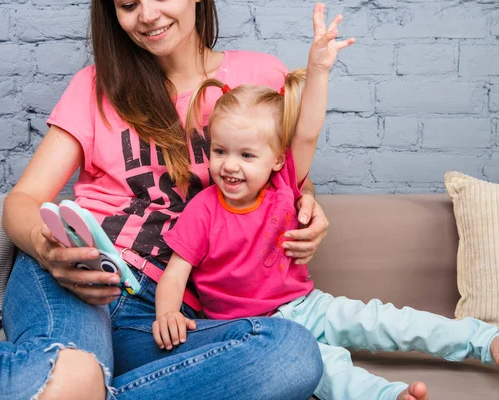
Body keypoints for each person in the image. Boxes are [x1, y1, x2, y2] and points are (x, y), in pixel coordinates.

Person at [0, 1, 332, 399]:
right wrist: (49, 250)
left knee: (291, 351)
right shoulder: (94, 88)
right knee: (69, 371)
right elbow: (22, 201)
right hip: (77, 276)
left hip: (170, 311)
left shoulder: (261, 75)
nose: (146, 15)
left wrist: (307, 203)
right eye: (127, 4)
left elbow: (289, 170)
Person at [152, 5, 499, 400]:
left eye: (246, 156)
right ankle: (389, 397)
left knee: (383, 322)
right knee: (327, 370)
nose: (229, 166)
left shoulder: (284, 185)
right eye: (219, 151)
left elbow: (309, 129)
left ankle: (484, 341)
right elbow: (175, 273)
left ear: (277, 159)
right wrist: (167, 313)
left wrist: (318, 69)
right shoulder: (204, 209)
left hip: (306, 305)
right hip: (257, 333)